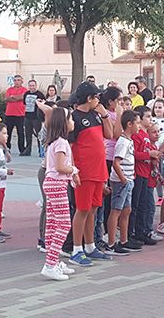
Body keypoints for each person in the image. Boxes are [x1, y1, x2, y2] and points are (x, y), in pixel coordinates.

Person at [67, 81, 113, 266]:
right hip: (84, 171)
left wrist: (104, 115)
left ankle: (89, 246)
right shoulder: (74, 118)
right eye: (96, 97)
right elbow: (69, 146)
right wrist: (74, 170)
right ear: (89, 98)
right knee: (82, 209)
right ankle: (77, 249)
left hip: (98, 169)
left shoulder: (96, 115)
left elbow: (109, 135)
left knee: (93, 209)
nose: (99, 100)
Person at [41, 106, 79, 280]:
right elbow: (60, 167)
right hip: (56, 184)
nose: (73, 122)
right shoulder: (62, 143)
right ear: (64, 123)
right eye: (70, 119)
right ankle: (50, 263)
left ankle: (53, 261)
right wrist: (73, 170)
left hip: (51, 184)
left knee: (53, 225)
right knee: (64, 225)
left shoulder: (54, 142)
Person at [95, 86, 123, 254]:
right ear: (111, 101)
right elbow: (116, 133)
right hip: (107, 158)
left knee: (113, 196)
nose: (120, 103)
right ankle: (103, 232)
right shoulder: (106, 114)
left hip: (116, 157)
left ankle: (111, 229)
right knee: (106, 196)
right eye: (118, 100)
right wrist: (119, 115)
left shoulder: (112, 114)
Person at [107, 110, 138, 255]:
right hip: (121, 181)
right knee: (116, 210)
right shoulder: (123, 142)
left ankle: (124, 240)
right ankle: (112, 243)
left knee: (126, 210)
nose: (138, 126)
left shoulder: (129, 140)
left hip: (128, 179)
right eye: (137, 123)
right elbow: (116, 163)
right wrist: (124, 179)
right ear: (129, 124)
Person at [131, 106, 161, 245]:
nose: (150, 119)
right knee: (136, 205)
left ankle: (142, 231)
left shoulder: (145, 136)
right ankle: (134, 233)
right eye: (147, 116)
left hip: (146, 173)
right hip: (138, 173)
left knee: (143, 205)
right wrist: (149, 154)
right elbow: (134, 154)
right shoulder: (137, 135)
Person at [22, 80, 46, 157]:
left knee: (39, 134)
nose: (32, 87)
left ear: (36, 86)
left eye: (33, 85)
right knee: (28, 134)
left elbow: (43, 104)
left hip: (36, 117)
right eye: (30, 86)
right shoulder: (26, 94)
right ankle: (28, 150)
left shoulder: (40, 94)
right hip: (27, 117)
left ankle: (41, 150)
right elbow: (24, 103)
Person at [5, 75, 27, 154]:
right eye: (15, 80)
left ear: (22, 81)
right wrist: (16, 98)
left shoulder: (24, 90)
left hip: (20, 114)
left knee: (20, 132)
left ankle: (22, 149)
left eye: (18, 80)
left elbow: (22, 97)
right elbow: (7, 98)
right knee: (8, 132)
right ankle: (7, 148)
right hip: (9, 114)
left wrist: (13, 97)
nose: (17, 82)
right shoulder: (9, 89)